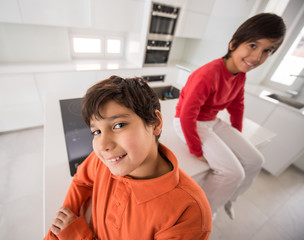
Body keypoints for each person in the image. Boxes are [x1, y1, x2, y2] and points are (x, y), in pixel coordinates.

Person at [44, 76, 212, 239]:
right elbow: (81, 180)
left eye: (118, 125)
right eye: (97, 132)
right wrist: (59, 230)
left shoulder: (189, 213)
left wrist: (77, 235)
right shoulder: (107, 160)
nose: (103, 145)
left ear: (155, 123)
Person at [173, 13, 286, 219]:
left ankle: (229, 198)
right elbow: (187, 115)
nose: (257, 57)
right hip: (188, 122)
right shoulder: (207, 75)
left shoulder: (240, 75)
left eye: (267, 50)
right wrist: (196, 149)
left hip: (211, 121)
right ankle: (201, 214)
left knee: (256, 160)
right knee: (233, 172)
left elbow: (237, 105)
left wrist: (237, 134)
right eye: (253, 45)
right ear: (234, 44)